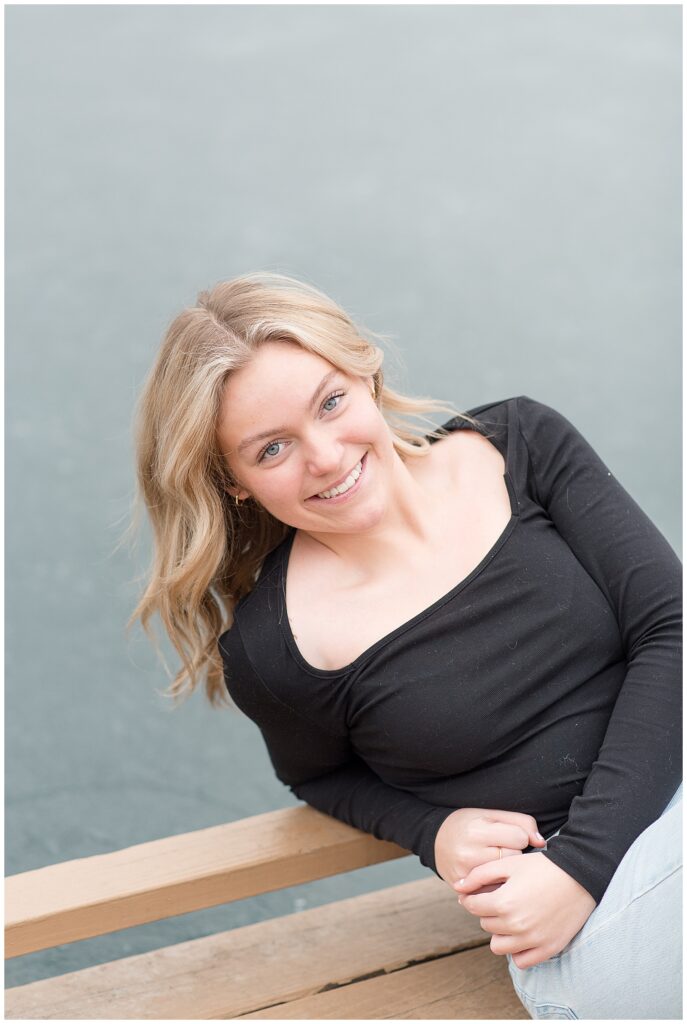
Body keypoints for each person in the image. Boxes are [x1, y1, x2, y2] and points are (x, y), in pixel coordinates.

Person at [130, 272, 682, 1020]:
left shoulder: (519, 445)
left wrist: (586, 860)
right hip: (577, 924)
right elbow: (319, 780)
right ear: (231, 481)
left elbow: (671, 626)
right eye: (271, 450)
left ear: (365, 370)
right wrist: (434, 830)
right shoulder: (275, 649)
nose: (325, 457)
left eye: (330, 402)